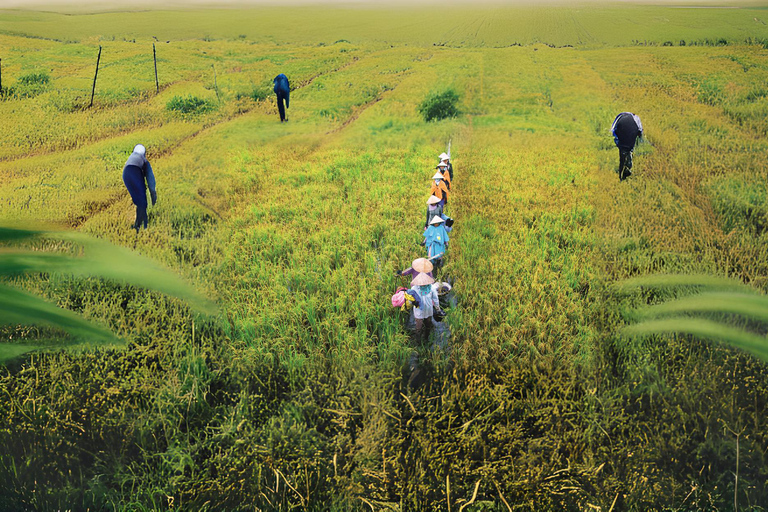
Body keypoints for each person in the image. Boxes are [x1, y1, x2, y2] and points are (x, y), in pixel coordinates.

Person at [122, 144, 157, 232]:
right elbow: (150, 180)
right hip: (134, 171)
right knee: (143, 203)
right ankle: (143, 227)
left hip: (125, 174)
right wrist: (153, 195)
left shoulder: (131, 157)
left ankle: (138, 225)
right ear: (144, 153)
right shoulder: (144, 161)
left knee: (139, 201)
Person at [409, 272, 442, 343]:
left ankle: (426, 338)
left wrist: (438, 309)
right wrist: (413, 302)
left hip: (428, 310)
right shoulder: (414, 289)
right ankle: (418, 341)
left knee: (428, 325)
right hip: (418, 312)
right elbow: (410, 301)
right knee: (418, 327)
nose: (422, 284)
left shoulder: (431, 288)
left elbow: (435, 299)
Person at [611, 112, 643, 181]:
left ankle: (621, 174)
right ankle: (626, 170)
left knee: (622, 153)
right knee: (628, 151)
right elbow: (640, 131)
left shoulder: (619, 116)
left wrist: (618, 142)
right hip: (631, 133)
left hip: (620, 133)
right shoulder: (636, 118)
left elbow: (613, 130)